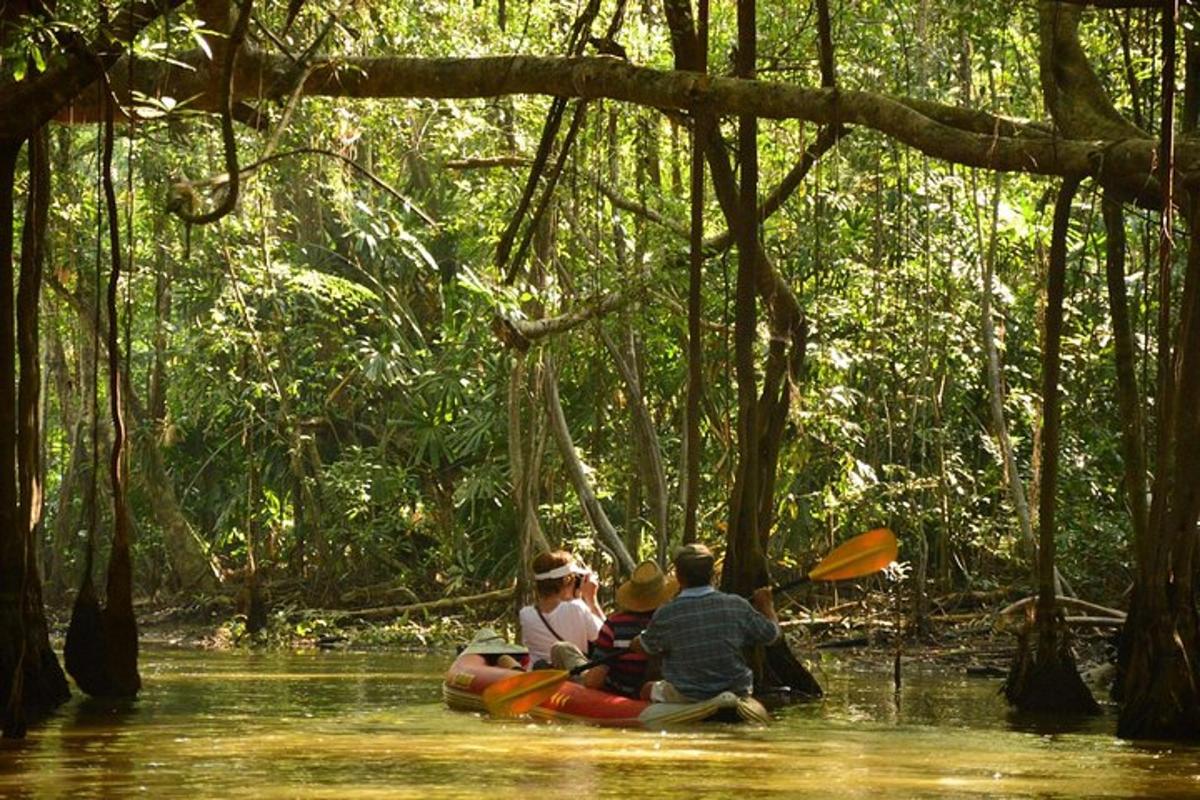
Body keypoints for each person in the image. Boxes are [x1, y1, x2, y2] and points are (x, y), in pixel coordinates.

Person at [634, 543, 779, 703]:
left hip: (687, 695)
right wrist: (767, 606)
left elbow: (645, 647)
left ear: (679, 576)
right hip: (736, 690)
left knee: (646, 689)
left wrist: (635, 643)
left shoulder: (667, 613)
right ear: (711, 575)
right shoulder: (737, 605)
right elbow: (772, 635)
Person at [572, 560, 677, 698]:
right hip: (657, 691)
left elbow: (593, 682)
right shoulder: (672, 621)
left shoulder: (615, 624)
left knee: (562, 649)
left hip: (620, 692)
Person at [518, 550, 604, 668]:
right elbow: (607, 638)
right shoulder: (576, 608)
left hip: (539, 675)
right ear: (566, 580)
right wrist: (591, 600)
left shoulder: (525, 614)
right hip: (570, 675)